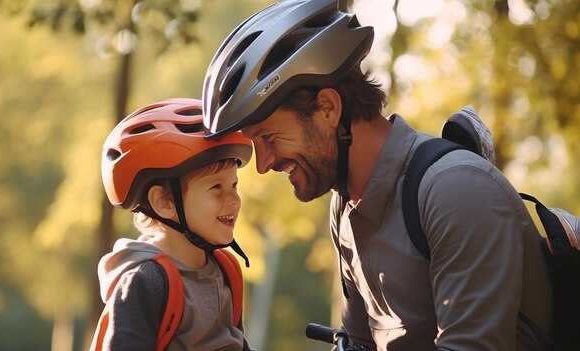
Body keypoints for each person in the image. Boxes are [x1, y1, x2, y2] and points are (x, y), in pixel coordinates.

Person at [201, 0, 552, 350]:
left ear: (328, 108)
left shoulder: (456, 192)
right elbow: (360, 344)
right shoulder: (346, 205)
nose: (262, 164)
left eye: (270, 137)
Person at [92, 98, 254, 350]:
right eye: (216, 188)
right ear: (164, 201)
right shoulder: (146, 282)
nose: (234, 199)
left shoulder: (226, 271)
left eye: (234, 185)